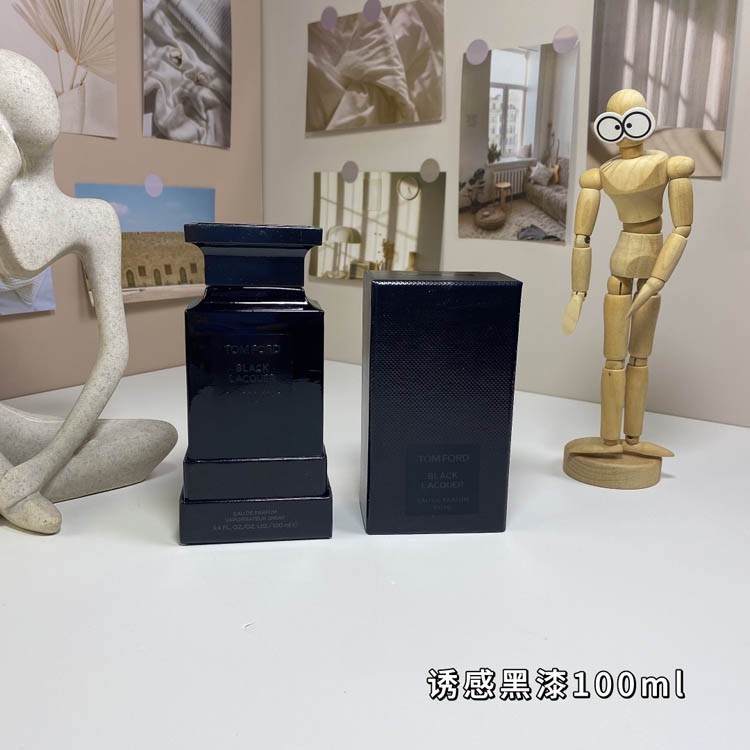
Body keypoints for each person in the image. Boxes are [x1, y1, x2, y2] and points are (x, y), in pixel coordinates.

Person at [0, 50, 176, 533]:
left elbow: (115, 352)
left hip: (33, 450)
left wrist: (42, 466)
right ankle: (12, 487)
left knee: (158, 436)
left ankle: (15, 485)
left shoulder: (93, 219)